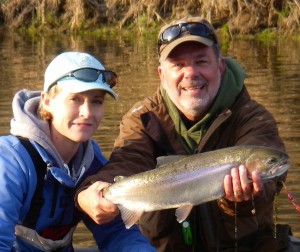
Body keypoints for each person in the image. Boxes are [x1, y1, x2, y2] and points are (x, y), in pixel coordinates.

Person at [75, 18, 298, 251]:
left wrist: (240, 201)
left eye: (201, 61)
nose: (190, 73)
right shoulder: (143, 119)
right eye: (178, 65)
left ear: (220, 66)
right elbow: (127, 161)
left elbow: (270, 184)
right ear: (162, 74)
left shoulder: (254, 118)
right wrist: (90, 192)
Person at [0, 51, 155, 251]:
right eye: (75, 99)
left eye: (96, 101)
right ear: (47, 101)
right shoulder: (10, 160)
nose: (87, 112)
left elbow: (118, 233)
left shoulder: (93, 162)